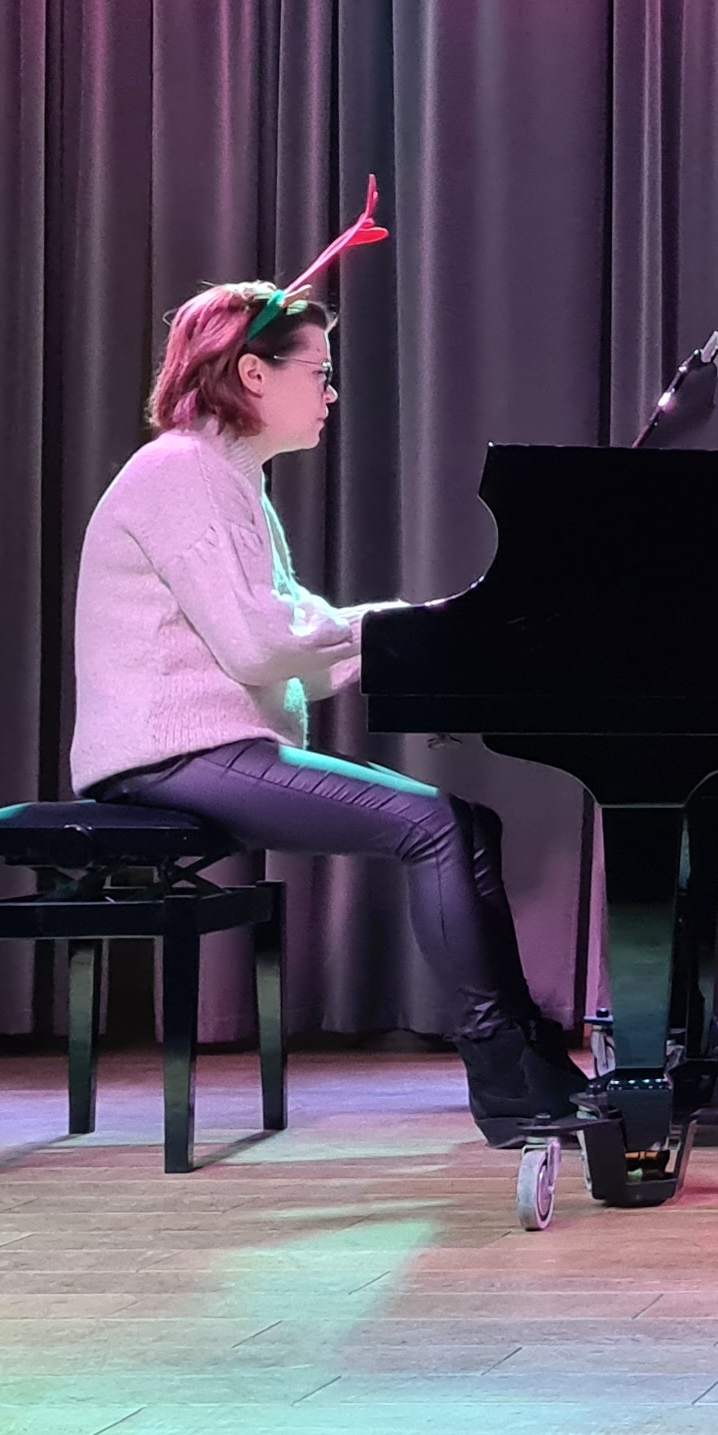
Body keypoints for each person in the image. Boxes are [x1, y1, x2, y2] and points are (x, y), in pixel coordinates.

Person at [65, 185, 582, 1146]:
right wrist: (396, 629)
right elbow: (262, 646)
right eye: (320, 372)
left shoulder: (229, 481)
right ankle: (511, 1084)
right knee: (435, 826)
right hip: (171, 757)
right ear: (252, 374)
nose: (332, 393)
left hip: (216, 750)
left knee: (465, 824)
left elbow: (291, 637)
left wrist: (415, 631)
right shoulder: (182, 473)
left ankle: (535, 1060)